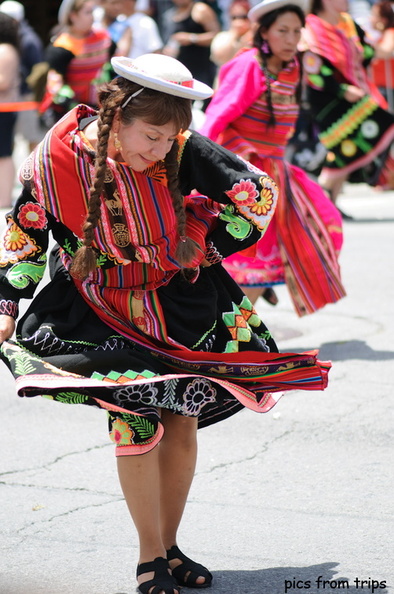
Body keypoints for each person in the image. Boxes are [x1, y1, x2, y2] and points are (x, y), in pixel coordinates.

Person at [0, 53, 330, 594]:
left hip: (178, 304)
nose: (158, 150)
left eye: (169, 138)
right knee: (137, 423)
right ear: (114, 118)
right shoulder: (53, 160)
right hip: (97, 310)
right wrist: (5, 305)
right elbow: (27, 235)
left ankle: (170, 547)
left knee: (180, 420)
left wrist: (199, 243)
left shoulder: (179, 148)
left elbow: (257, 196)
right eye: (149, 136)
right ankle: (148, 557)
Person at [200, 0, 346, 316]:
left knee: (324, 225)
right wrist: (200, 166)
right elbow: (216, 117)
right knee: (247, 254)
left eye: (297, 31)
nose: (292, 39)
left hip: (276, 172)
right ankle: (234, 331)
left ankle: (242, 321)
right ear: (264, 32)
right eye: (283, 31)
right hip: (244, 176)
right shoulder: (250, 65)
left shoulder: (294, 68)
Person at [301, 0, 394, 203]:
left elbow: (368, 51)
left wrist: (362, 56)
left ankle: (329, 203)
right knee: (343, 147)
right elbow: (313, 68)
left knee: (345, 148)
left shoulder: (348, 23)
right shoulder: (312, 27)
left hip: (356, 92)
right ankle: (322, 202)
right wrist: (342, 89)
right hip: (326, 98)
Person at [39, 0, 115, 129]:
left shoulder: (104, 38)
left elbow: (111, 64)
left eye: (93, 12)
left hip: (99, 105)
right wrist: (61, 97)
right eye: (87, 12)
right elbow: (55, 81)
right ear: (73, 16)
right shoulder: (63, 46)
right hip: (73, 110)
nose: (92, 17)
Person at [0, 0, 45, 152]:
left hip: (25, 96)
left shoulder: (28, 40)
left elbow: (39, 70)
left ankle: (34, 172)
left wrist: (32, 92)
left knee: (31, 136)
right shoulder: (11, 38)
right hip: (13, 97)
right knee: (8, 140)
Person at [162, 0, 221, 108]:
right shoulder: (170, 13)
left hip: (201, 72)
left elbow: (216, 35)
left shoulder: (200, 9)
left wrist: (192, 38)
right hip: (179, 74)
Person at [0, 11, 20, 208]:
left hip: (4, 110)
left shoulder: (5, 50)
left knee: (3, 153)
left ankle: (3, 198)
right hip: (4, 109)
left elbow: (3, 82)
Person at [210, 0, 253, 67]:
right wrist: (234, 33)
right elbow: (220, 56)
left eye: (243, 17)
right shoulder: (222, 36)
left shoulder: (255, 36)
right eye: (234, 17)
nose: (239, 21)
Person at [369, 0, 394, 112]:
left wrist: (368, 48)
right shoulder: (381, 36)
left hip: (388, 89)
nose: (370, 19)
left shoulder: (390, 32)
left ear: (383, 20)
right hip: (381, 88)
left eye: (374, 15)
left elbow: (386, 51)